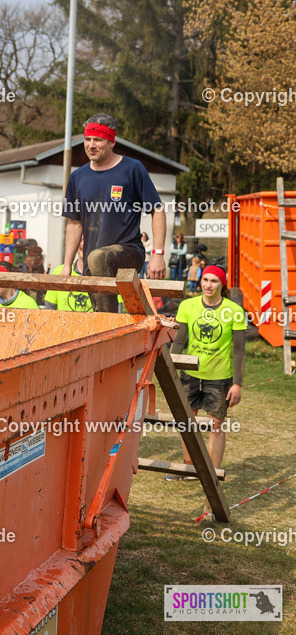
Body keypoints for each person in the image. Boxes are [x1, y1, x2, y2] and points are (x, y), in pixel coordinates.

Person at [62, 113, 166, 311]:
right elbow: (74, 223)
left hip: (127, 252)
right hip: (92, 262)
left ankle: (108, 327)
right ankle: (110, 329)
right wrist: (67, 264)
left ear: (111, 142)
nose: (91, 145)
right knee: (95, 268)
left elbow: (157, 210)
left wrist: (158, 254)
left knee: (97, 257)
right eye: (87, 139)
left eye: (98, 140)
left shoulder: (132, 169)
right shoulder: (78, 177)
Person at [168, 265, 246, 479]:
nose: (208, 285)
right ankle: (188, 469)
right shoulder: (187, 305)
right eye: (205, 280)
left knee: (216, 426)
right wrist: (173, 369)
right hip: (189, 375)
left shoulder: (235, 310)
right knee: (187, 422)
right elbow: (179, 341)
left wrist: (237, 384)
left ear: (222, 285)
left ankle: (211, 474)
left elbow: (239, 350)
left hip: (219, 378)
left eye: (214, 281)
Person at [44, 241, 94, 312]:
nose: (83, 244)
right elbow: (49, 306)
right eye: (81, 239)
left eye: (87, 239)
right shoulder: (59, 271)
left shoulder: (102, 274)